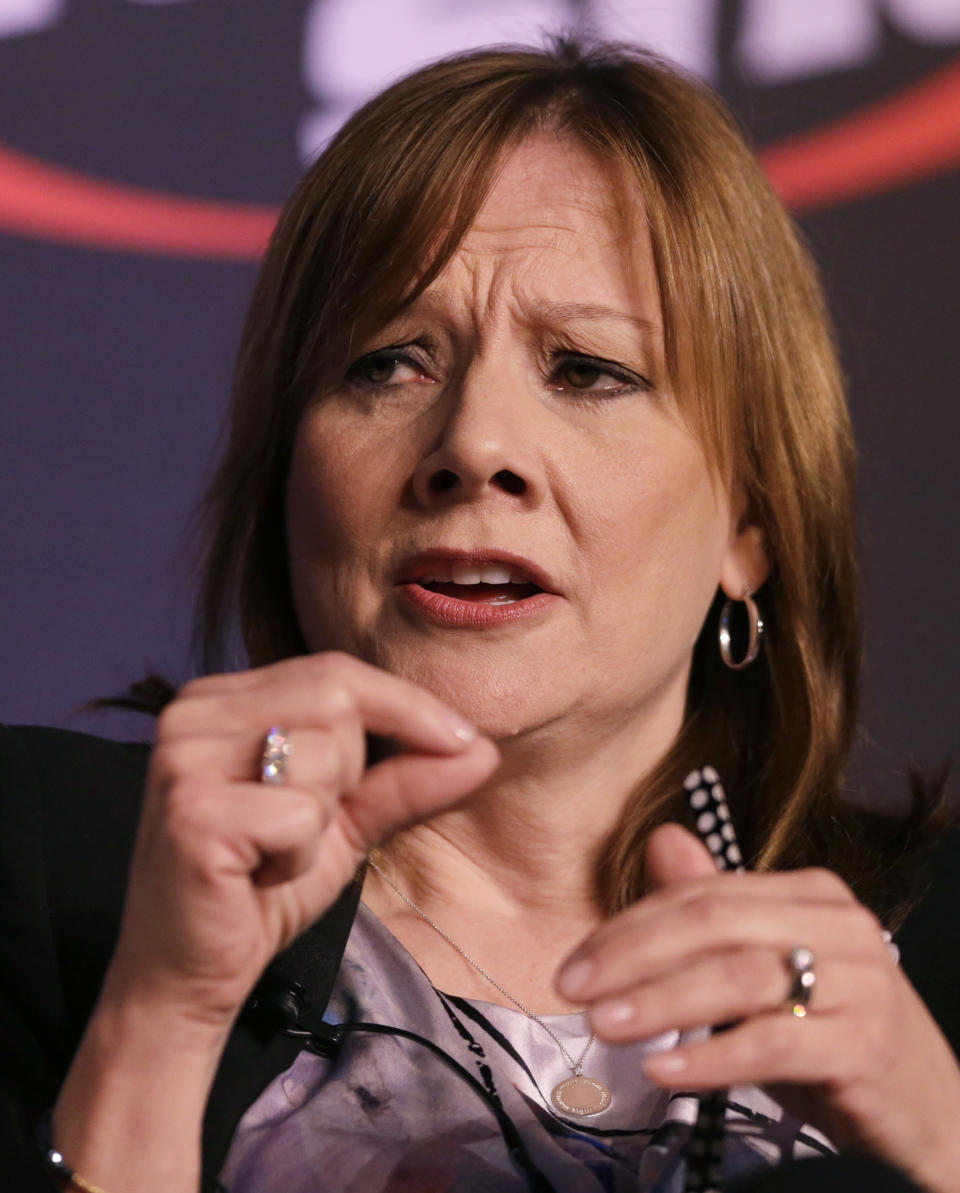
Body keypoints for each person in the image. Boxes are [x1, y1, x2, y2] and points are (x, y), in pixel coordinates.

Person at [2, 37, 958, 1193]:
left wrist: (938, 1137)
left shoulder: (935, 955)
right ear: (287, 477)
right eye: (388, 362)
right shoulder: (51, 873)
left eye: (589, 370)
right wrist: (160, 1014)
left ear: (748, 528)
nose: (473, 446)